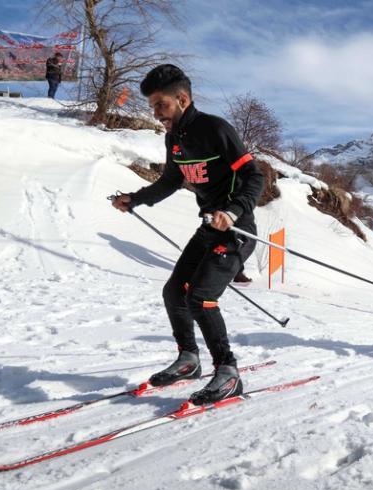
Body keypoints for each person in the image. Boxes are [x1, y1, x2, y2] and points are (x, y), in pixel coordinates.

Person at [111, 64, 264, 404]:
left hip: (237, 229)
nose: (155, 112)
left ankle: (228, 373)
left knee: (200, 298)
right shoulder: (174, 138)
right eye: (151, 105)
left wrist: (233, 210)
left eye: (160, 104)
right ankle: (189, 360)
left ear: (181, 99)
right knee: (173, 293)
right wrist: (135, 199)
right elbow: (170, 181)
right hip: (209, 227)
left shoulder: (215, 129)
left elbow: (255, 176)